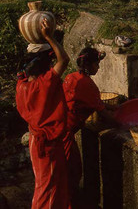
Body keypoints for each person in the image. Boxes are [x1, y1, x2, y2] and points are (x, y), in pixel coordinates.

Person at [16, 18, 70, 209]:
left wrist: (37, 41)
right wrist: (49, 36)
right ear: (44, 69)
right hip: (47, 144)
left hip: (35, 140)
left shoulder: (21, 84)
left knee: (47, 184)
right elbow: (64, 60)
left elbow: (30, 64)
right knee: (48, 187)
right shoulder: (44, 84)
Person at [62, 47, 118, 206]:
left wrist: (118, 107)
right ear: (88, 65)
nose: (99, 68)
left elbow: (96, 103)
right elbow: (103, 114)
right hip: (64, 134)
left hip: (59, 129)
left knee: (64, 174)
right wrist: (124, 124)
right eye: (96, 64)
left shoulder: (72, 77)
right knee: (72, 174)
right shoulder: (88, 84)